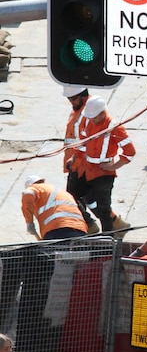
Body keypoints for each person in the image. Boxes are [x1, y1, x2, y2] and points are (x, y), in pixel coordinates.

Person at [67, 96, 134, 233]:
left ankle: (107, 237)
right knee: (71, 196)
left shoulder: (114, 128)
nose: (91, 120)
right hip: (87, 169)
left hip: (103, 173)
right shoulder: (88, 121)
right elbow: (83, 143)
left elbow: (130, 152)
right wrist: (74, 159)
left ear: (102, 113)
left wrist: (114, 167)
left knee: (104, 209)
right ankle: (88, 225)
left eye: (94, 117)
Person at [62, 86, 100, 234]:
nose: (70, 102)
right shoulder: (78, 109)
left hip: (82, 163)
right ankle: (113, 221)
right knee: (88, 197)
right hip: (75, 163)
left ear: (82, 96)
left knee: (72, 198)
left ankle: (90, 225)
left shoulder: (88, 112)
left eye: (72, 98)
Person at [21, 175, 88, 240]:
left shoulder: (35, 187)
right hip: (79, 229)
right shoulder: (60, 191)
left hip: (57, 228)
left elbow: (28, 193)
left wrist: (29, 223)